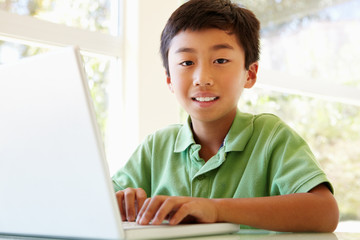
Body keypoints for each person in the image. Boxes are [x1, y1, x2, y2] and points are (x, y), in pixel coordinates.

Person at [112, 0, 339, 232]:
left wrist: (215, 209)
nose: (202, 77)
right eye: (186, 62)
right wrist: (119, 201)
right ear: (169, 79)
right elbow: (94, 203)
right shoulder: (155, 147)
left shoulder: (271, 137)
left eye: (220, 60)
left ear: (250, 74)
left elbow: (325, 212)